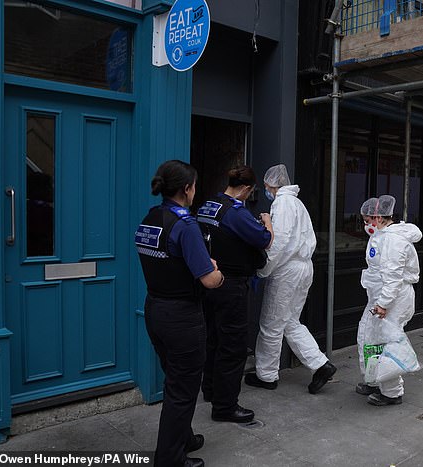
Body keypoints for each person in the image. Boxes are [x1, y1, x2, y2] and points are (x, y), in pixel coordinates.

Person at [135, 160, 224, 467]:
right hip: (182, 316)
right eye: (194, 185)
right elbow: (209, 280)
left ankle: (183, 438)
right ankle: (170, 458)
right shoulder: (185, 227)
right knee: (183, 390)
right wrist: (216, 271)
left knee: (175, 380)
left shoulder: (150, 219)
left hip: (155, 310)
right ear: (187, 189)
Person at [244, 164, 337, 394]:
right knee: (290, 322)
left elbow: (279, 243)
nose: (265, 190)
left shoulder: (282, 203)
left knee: (271, 324)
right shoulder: (297, 203)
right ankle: (321, 364)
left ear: (271, 185)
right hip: (304, 267)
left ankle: (266, 375)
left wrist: (262, 270)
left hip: (287, 270)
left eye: (266, 186)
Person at [196, 165, 273, 423]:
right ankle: (225, 407)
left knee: (213, 339)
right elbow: (264, 240)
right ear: (246, 189)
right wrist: (268, 223)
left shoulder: (208, 205)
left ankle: (211, 390)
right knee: (233, 346)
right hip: (231, 284)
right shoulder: (236, 213)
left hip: (209, 281)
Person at [356, 195, 422, 406]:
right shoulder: (383, 235)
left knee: (387, 342)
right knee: (367, 336)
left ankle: (392, 392)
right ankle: (374, 378)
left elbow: (392, 277)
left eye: (367, 221)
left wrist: (383, 304)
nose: (366, 225)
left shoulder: (393, 240)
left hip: (392, 299)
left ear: (378, 218)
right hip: (381, 297)